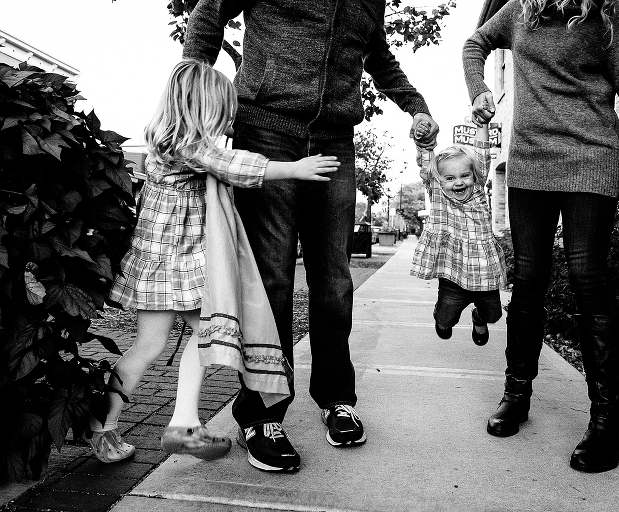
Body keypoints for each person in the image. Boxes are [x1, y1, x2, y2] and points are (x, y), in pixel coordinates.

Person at [182, 0, 439, 473]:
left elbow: (379, 55)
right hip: (266, 129)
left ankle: (337, 399)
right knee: (273, 278)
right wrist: (192, 83)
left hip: (334, 139)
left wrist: (415, 105)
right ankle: (261, 414)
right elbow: (210, 9)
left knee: (335, 282)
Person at [82, 59, 340, 463]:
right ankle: (180, 426)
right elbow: (232, 166)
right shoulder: (189, 148)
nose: (229, 117)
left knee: (150, 346)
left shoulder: (165, 143)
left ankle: (106, 424)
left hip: (159, 264)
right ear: (202, 107)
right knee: (202, 336)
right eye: (223, 109)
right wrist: (294, 167)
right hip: (176, 265)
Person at [463, 0, 619, 473]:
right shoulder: (519, 11)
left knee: (588, 277)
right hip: (529, 165)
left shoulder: (611, 16)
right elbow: (475, 44)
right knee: (528, 281)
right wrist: (479, 92)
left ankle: (608, 422)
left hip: (592, 160)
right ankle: (516, 393)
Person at [411, 119, 506, 346]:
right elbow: (427, 164)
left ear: (475, 177)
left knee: (494, 314)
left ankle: (478, 317)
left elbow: (483, 154)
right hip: (453, 275)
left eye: (465, 175)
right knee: (446, 319)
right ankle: (441, 317)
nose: (459, 183)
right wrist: (424, 142)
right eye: (450, 178)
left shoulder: (478, 193)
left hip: (484, 274)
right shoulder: (438, 194)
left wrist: (483, 124)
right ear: (439, 181)